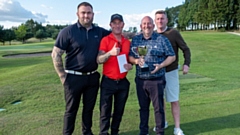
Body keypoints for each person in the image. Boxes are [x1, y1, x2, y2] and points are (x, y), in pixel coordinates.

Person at [51, 2, 110, 135]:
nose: (86, 16)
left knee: (88, 109)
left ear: (93, 15)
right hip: (73, 78)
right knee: (71, 110)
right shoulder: (68, 31)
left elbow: (116, 33)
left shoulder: (99, 31)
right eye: (83, 13)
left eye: (89, 13)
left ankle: (87, 132)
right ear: (78, 14)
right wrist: (62, 76)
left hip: (92, 77)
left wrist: (140, 34)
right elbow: (56, 54)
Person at [129, 16, 176, 135]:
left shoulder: (161, 39)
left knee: (158, 109)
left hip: (157, 80)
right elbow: (130, 57)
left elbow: (172, 56)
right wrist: (136, 61)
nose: (147, 26)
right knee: (143, 109)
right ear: (140, 26)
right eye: (144, 24)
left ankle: (160, 132)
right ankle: (143, 131)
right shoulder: (136, 40)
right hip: (141, 80)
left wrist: (161, 65)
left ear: (153, 25)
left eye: (149, 23)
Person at [154, 10, 191, 135]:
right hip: (157, 73)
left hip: (171, 71)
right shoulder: (153, 35)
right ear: (155, 21)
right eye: (158, 19)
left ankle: (177, 128)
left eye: (162, 18)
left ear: (167, 20)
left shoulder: (173, 33)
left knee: (174, 100)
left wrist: (186, 64)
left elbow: (185, 49)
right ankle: (162, 122)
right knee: (160, 100)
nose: (160, 21)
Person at [97, 13, 132, 135]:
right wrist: (109, 53)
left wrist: (130, 66)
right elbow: (99, 59)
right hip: (108, 81)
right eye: (114, 23)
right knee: (105, 111)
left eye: (119, 23)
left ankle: (115, 132)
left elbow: (129, 60)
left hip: (122, 82)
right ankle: (103, 133)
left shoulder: (127, 42)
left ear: (123, 24)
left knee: (119, 111)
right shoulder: (105, 40)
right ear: (110, 25)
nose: (117, 25)